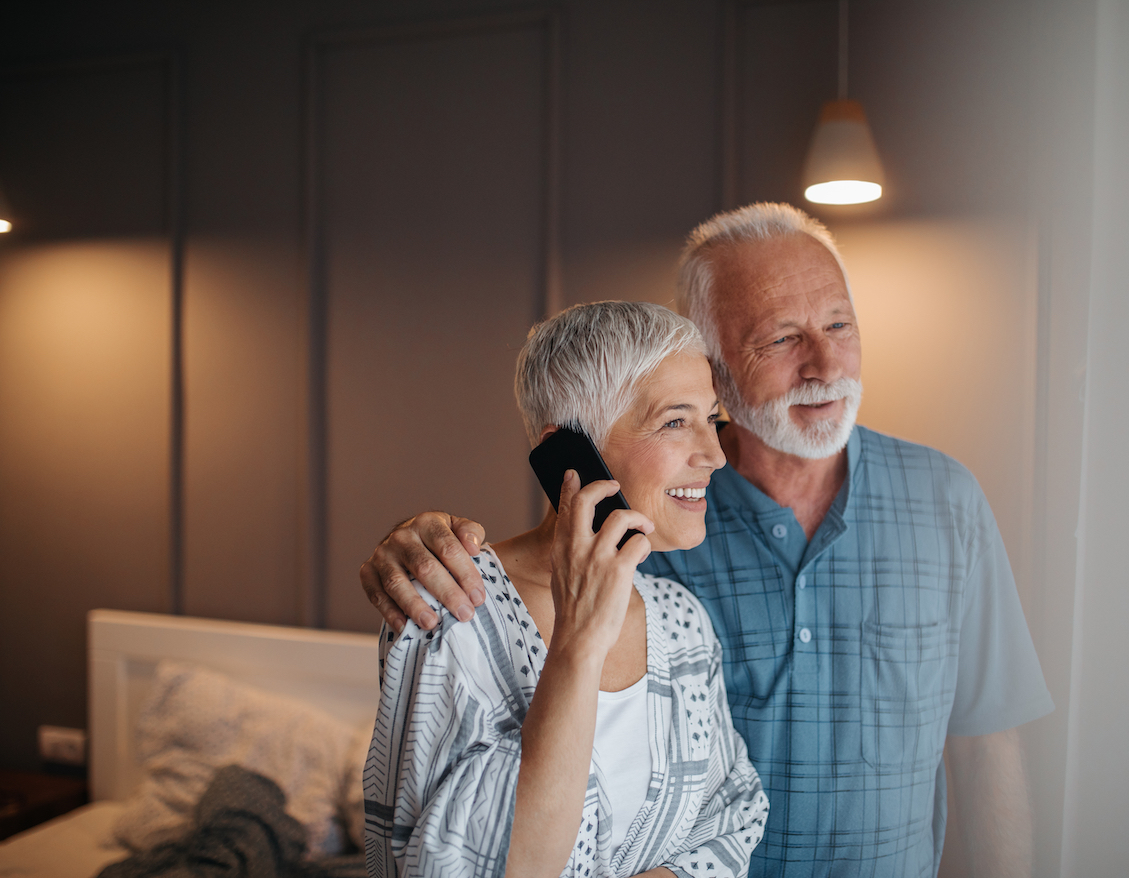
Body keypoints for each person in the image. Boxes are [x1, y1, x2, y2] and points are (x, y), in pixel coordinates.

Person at [363, 204, 1054, 878]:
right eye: (783, 337)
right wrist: (414, 546)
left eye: (839, 323)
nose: (823, 363)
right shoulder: (642, 530)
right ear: (714, 360)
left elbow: (980, 744)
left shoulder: (944, 501)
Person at [364, 301, 768, 878]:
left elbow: (733, 813)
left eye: (712, 417)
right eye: (676, 422)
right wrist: (579, 642)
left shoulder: (682, 621)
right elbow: (470, 864)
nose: (715, 454)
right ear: (570, 454)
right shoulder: (450, 607)